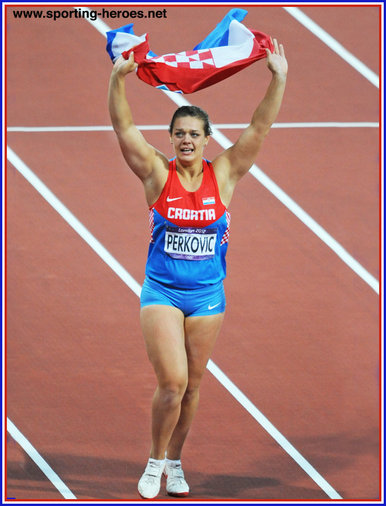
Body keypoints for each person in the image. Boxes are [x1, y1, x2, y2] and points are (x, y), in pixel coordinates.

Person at [108, 38, 288, 500]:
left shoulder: (224, 175)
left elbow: (260, 128)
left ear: (207, 140)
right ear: (171, 139)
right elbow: (124, 129)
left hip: (208, 297)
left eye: (194, 134)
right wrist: (118, 81)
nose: (186, 140)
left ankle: (175, 462)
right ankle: (154, 461)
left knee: (192, 389)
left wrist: (278, 77)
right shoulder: (156, 174)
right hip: (163, 294)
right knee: (173, 382)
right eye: (180, 133)